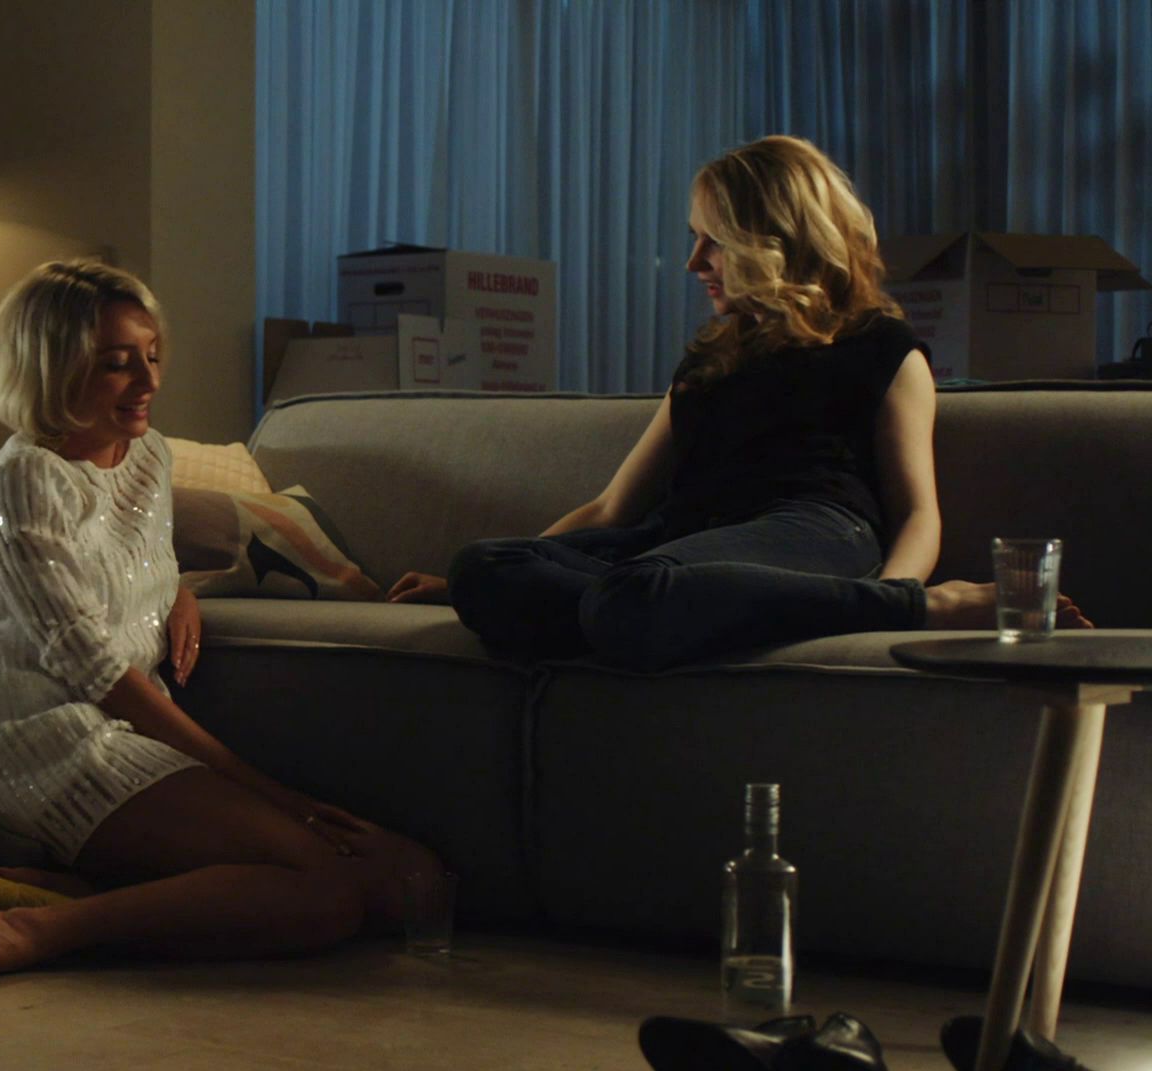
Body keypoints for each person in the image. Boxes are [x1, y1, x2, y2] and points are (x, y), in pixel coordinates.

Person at [387, 135, 1090, 671]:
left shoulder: (881, 347)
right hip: (679, 545)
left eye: (713, 243)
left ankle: (919, 609)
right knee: (485, 567)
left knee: (630, 597)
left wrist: (900, 595)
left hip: (810, 529)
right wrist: (484, 578)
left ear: (775, 245)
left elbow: (916, 512)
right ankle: (653, 614)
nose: (694, 263)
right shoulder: (710, 359)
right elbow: (611, 509)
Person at [0, 259, 442, 977]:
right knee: (327, 896)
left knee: (413, 882)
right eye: (117, 364)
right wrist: (272, 793)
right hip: (46, 749)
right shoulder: (21, 485)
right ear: (52, 369)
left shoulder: (148, 456)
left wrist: (177, 593)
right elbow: (95, 672)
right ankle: (43, 929)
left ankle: (100, 890)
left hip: (130, 733)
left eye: (153, 356)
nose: (148, 381)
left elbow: (129, 566)